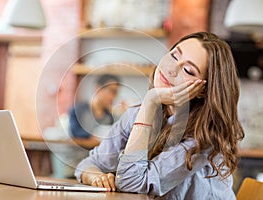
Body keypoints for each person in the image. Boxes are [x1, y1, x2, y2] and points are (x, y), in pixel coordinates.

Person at [74, 32, 244, 199]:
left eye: (187, 70)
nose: (172, 69)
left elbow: (131, 183)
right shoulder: (136, 115)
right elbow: (88, 164)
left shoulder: (204, 137)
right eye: (174, 56)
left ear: (203, 91)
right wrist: (96, 177)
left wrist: (152, 99)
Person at [68, 74, 121, 149]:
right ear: (98, 88)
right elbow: (74, 133)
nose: (113, 96)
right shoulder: (78, 110)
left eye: (116, 93)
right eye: (111, 91)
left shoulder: (109, 116)